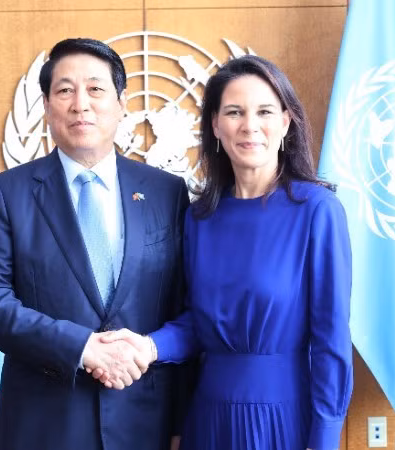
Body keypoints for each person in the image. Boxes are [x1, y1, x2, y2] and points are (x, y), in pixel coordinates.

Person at [94, 55, 353, 450]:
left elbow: (331, 344)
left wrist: (324, 442)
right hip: (208, 420)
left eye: (264, 111)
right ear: (215, 125)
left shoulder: (317, 210)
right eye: (234, 112)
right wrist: (147, 347)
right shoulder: (200, 217)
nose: (250, 126)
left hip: (283, 421)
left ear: (285, 122)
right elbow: (199, 326)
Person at [0, 38, 190, 450]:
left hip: (144, 424)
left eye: (96, 89)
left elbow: (186, 308)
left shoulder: (166, 193)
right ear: (47, 107)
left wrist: (181, 425)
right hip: (43, 426)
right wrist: (81, 347)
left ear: (121, 104)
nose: (80, 103)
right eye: (65, 90)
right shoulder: (8, 193)